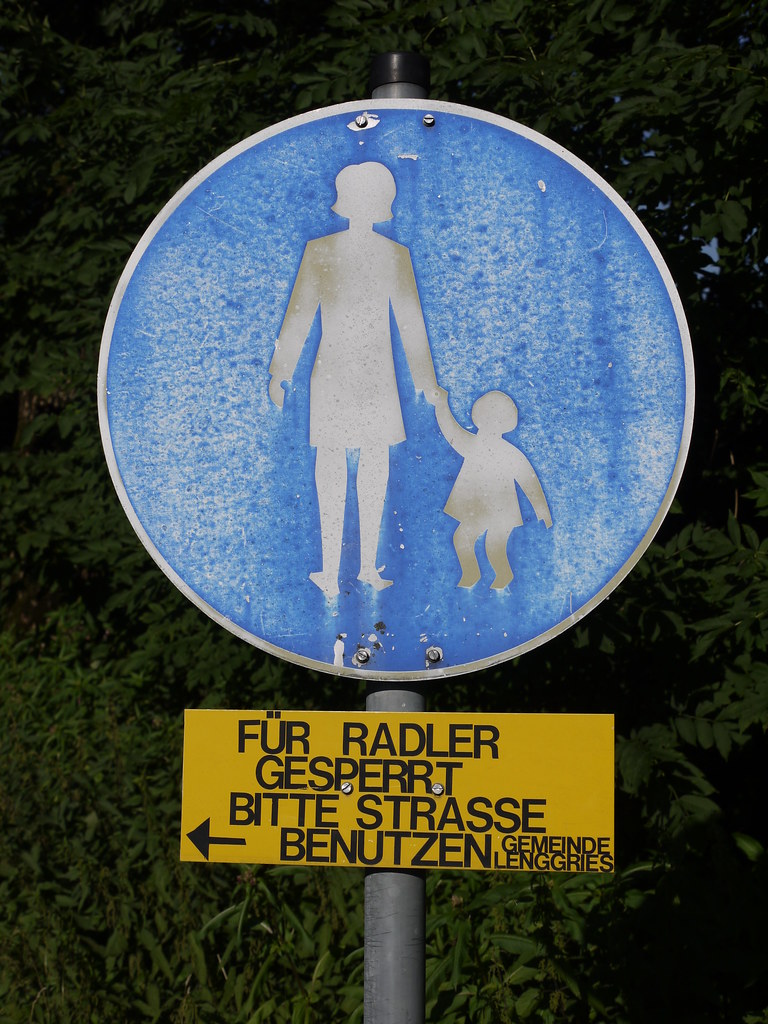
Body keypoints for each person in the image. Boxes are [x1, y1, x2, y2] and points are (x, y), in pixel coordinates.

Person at [268, 162, 441, 598]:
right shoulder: (322, 252)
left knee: (371, 464)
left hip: (372, 374)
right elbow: (300, 313)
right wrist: (281, 370)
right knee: (335, 463)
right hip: (335, 373)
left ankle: (362, 566)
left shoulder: (393, 255)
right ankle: (331, 569)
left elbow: (410, 322)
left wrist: (426, 380)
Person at [434, 388, 552, 589]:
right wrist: (441, 404)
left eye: (495, 420)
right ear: (478, 418)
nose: (489, 424)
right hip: (477, 508)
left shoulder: (509, 452)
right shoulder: (471, 443)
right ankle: (471, 574)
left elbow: (528, 479)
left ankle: (503, 578)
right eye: (486, 418)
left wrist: (542, 509)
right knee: (462, 539)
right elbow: (451, 430)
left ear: (504, 424)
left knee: (494, 547)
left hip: (502, 511)